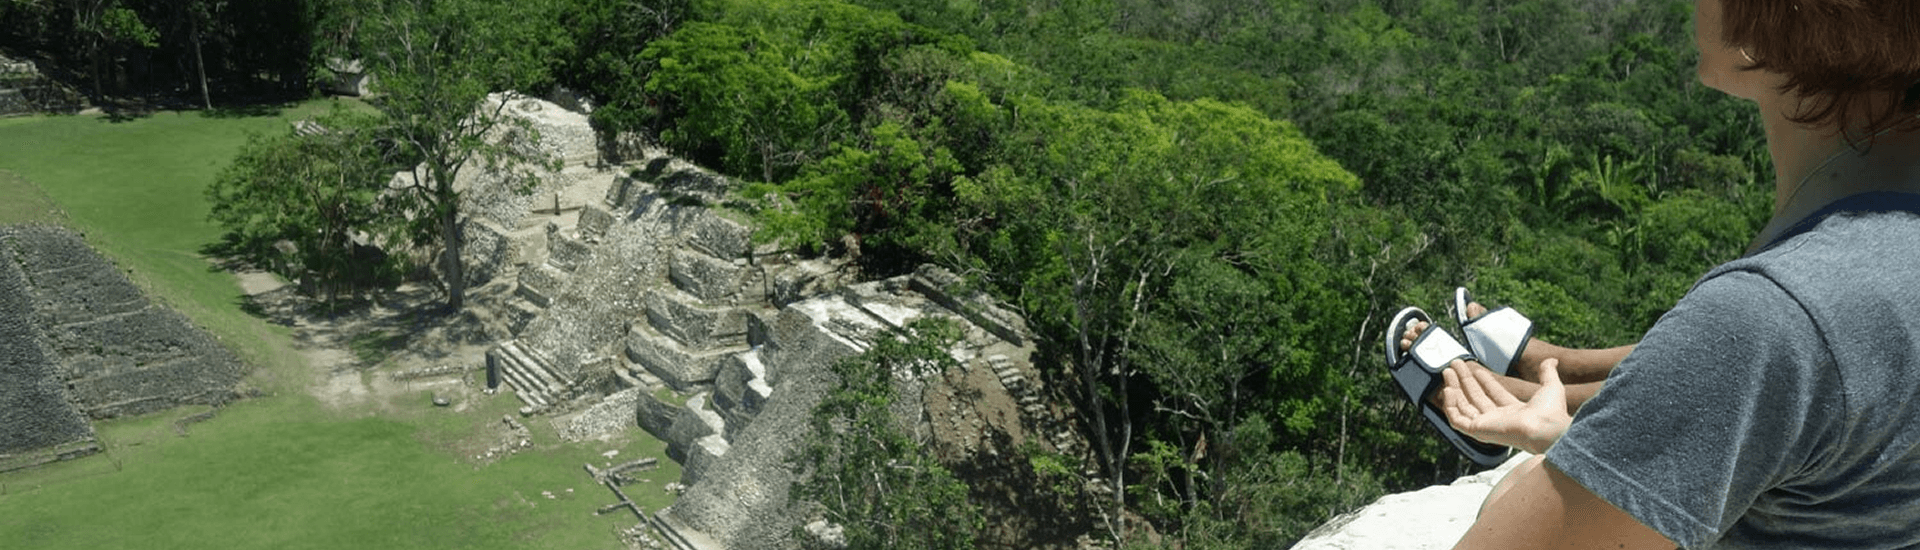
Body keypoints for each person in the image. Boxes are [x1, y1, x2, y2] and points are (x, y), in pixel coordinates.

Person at [1426, 0, 1920, 547]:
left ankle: (1540, 380)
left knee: (1511, 492)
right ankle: (1560, 381)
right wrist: (1594, 445)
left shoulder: (1771, 319)